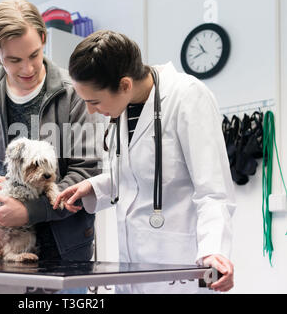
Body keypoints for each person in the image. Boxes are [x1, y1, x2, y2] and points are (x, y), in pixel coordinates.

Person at [54, 30, 236, 294]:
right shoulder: (122, 106)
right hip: (131, 266)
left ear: (125, 84)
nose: (91, 110)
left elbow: (213, 190)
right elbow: (137, 175)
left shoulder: (187, 96)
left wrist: (213, 252)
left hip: (178, 265)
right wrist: (93, 188)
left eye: (94, 101)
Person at [0, 0, 100, 265]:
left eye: (34, 55)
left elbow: (88, 171)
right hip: (5, 245)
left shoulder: (73, 92)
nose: (27, 69)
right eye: (13, 60)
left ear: (44, 38)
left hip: (68, 249)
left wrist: (30, 211)